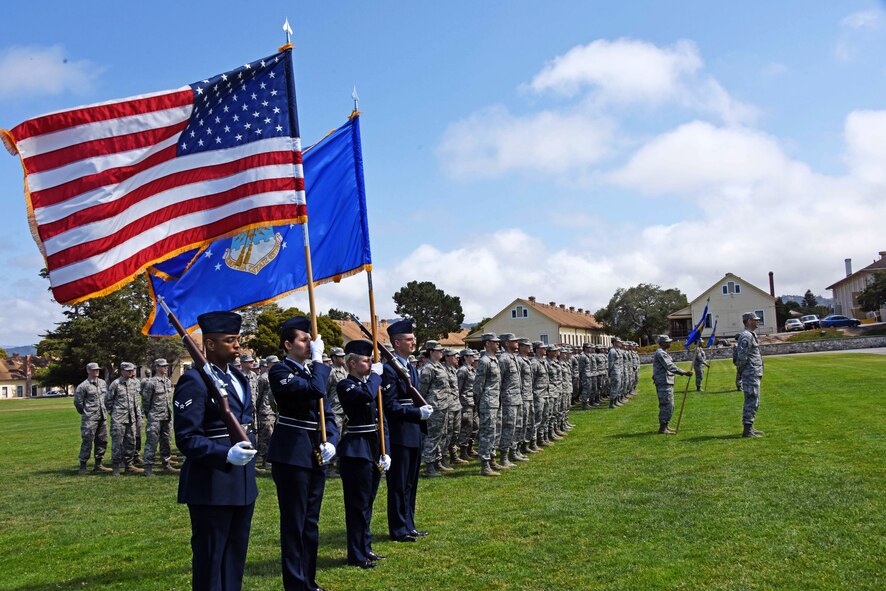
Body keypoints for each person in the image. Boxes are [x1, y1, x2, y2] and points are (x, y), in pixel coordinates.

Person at [173, 311, 258, 591]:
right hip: (211, 485)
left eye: (237, 339)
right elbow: (187, 438)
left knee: (235, 560)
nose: (237, 345)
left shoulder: (238, 378)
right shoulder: (194, 381)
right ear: (209, 344)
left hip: (242, 484)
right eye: (230, 340)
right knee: (211, 562)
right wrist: (224, 454)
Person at [267, 316, 338, 591]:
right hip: (291, 454)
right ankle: (295, 584)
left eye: (311, 339)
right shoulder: (279, 371)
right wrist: (319, 362)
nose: (310, 343)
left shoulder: (310, 371)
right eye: (304, 339)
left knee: (310, 522)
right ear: (288, 344)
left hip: (315, 453)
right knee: (294, 524)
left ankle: (309, 580)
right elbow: (316, 390)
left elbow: (327, 413)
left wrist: (331, 440)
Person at [336, 339, 390, 568]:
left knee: (368, 503)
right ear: (352, 363)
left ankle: (365, 548)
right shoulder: (346, 385)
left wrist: (384, 450)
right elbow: (365, 396)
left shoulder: (370, 384)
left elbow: (380, 419)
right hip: (356, 450)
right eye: (366, 361)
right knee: (357, 506)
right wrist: (377, 377)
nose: (370, 365)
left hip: (372, 447)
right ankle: (355, 553)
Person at [381, 319, 434, 543]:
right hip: (401, 433)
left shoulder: (410, 367)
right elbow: (390, 406)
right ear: (396, 342)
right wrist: (417, 413)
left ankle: (409, 524)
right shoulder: (389, 370)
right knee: (399, 483)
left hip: (413, 433)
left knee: (411, 483)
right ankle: (398, 528)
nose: (413, 342)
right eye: (409, 339)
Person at [419, 340, 451, 477]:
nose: (441, 353)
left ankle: (437, 462)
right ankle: (429, 466)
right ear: (431, 352)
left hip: (444, 405)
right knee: (432, 436)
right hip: (434, 406)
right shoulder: (428, 368)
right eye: (439, 351)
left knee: (441, 434)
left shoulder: (440, 366)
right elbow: (422, 390)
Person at [141, 358, 178, 476]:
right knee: (152, 442)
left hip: (167, 416)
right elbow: (146, 402)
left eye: (166, 366)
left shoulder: (167, 381)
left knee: (166, 441)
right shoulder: (151, 383)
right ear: (156, 367)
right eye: (163, 366)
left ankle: (166, 463)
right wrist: (150, 415)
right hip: (155, 417)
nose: (165, 368)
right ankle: (148, 467)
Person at [73, 362, 112, 474]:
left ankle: (98, 464)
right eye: (94, 370)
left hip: (102, 416)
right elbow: (78, 402)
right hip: (90, 418)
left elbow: (106, 398)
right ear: (88, 371)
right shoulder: (83, 386)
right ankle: (83, 466)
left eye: (98, 369)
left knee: (102, 440)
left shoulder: (103, 383)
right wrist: (86, 412)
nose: (97, 371)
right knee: (87, 441)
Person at [106, 362, 143, 475]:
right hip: (119, 419)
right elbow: (108, 401)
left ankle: (129, 465)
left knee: (131, 442)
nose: (131, 372)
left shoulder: (134, 384)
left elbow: (136, 401)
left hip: (131, 419)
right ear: (122, 371)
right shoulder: (115, 384)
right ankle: (116, 467)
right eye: (128, 370)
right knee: (117, 443)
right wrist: (114, 413)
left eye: (132, 370)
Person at [473, 333, 502, 477]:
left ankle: (492, 459)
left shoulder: (494, 359)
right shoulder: (484, 361)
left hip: (495, 401)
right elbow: (478, 385)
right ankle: (484, 465)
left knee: (494, 432)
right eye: (495, 342)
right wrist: (478, 402)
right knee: (486, 433)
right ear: (487, 343)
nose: (498, 344)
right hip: (488, 401)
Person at [652, 335, 692, 434]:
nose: (669, 343)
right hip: (663, 382)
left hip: (666, 381)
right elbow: (669, 366)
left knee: (670, 405)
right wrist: (683, 372)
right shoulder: (661, 353)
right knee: (666, 404)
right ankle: (662, 428)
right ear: (661, 343)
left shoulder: (664, 352)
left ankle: (666, 425)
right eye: (667, 342)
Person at [736, 313, 765, 437]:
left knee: (754, 400)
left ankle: (750, 427)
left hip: (754, 372)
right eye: (755, 320)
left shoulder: (751, 335)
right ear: (748, 321)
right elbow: (742, 357)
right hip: (750, 373)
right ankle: (747, 430)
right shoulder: (746, 336)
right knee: (751, 399)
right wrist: (740, 372)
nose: (758, 321)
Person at [254, 354, 278, 471]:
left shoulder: (277, 375)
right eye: (273, 363)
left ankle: (272, 459)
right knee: (266, 435)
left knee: (274, 435)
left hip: (276, 410)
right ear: (268, 365)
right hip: (266, 410)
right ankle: (265, 460)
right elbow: (259, 395)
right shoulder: (263, 378)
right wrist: (258, 409)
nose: (275, 365)